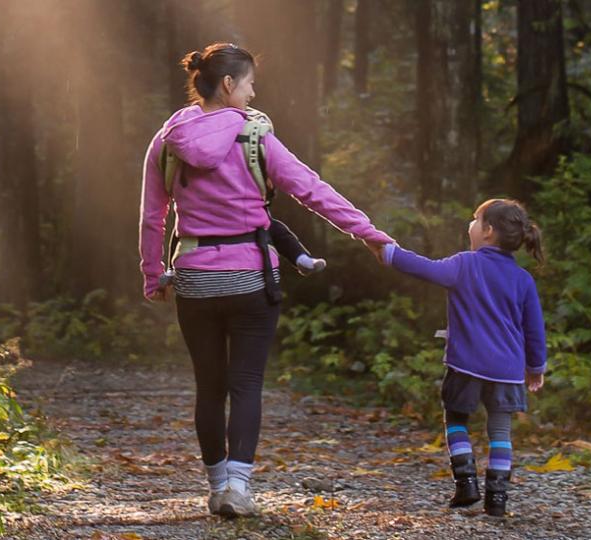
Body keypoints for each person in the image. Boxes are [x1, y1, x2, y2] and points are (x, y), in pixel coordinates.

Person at [139, 42, 393, 518]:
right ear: (230, 84)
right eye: (251, 83)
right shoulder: (255, 136)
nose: (254, 93)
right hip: (252, 277)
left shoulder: (167, 138)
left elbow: (153, 216)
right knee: (247, 384)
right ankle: (239, 487)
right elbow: (312, 190)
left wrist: (154, 274)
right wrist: (369, 234)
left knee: (208, 386)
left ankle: (216, 489)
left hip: (194, 278)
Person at [379, 199, 547, 517]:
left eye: (475, 219)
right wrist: (535, 367)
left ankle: (466, 482)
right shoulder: (523, 279)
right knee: (501, 432)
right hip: (508, 371)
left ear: (488, 231)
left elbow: (424, 268)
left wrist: (389, 253)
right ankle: (497, 499)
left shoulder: (464, 264)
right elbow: (534, 329)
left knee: (456, 419)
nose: (469, 225)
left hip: (466, 364)